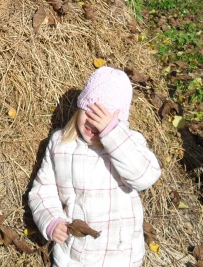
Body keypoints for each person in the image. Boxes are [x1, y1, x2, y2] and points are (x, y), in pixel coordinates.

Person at [28, 66, 162, 266]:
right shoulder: (61, 144)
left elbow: (145, 177)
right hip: (74, 256)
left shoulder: (129, 143)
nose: (94, 122)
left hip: (121, 256)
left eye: (104, 118)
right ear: (79, 108)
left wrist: (112, 134)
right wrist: (52, 220)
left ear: (118, 122)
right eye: (90, 111)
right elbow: (43, 191)